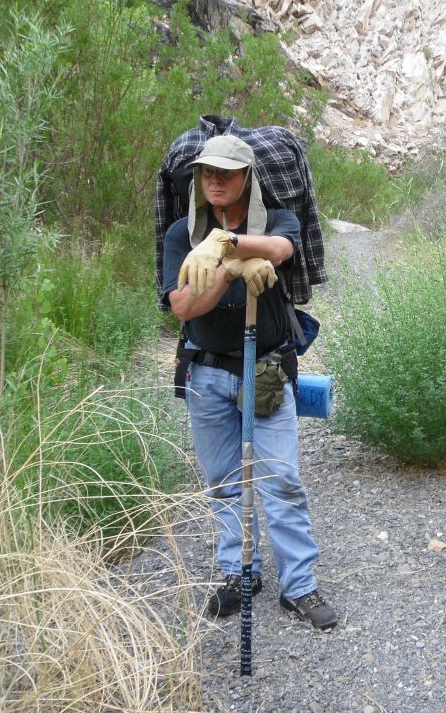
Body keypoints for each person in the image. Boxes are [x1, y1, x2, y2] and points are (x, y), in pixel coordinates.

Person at [161, 134, 337, 630]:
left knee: (281, 478)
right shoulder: (182, 233)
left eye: (227, 172)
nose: (215, 180)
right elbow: (183, 307)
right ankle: (239, 573)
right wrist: (231, 268)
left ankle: (299, 586)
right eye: (206, 172)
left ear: (247, 178)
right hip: (208, 371)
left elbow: (281, 247)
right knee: (223, 481)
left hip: (265, 369)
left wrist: (230, 243)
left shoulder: (276, 219)